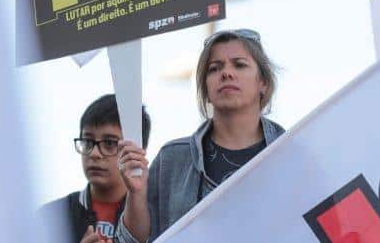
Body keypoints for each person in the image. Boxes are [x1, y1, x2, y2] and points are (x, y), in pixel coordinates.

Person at [118, 28, 284, 243]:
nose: (227, 73)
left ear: (264, 83)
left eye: (239, 64)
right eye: (214, 68)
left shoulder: (291, 153)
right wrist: (136, 195)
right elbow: (133, 241)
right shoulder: (172, 159)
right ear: (205, 87)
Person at [38, 94, 151, 243]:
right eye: (87, 141)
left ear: (138, 149)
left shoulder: (158, 212)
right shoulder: (52, 217)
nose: (94, 153)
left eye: (110, 143)